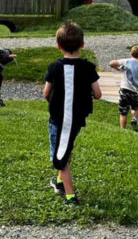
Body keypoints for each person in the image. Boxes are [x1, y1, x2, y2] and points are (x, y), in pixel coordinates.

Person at [43, 21, 101, 206]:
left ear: (59, 46)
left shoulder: (54, 67)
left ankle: (70, 197)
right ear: (82, 44)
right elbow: (98, 94)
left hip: (58, 119)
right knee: (66, 147)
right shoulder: (89, 68)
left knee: (60, 157)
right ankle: (60, 182)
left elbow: (46, 93)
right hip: (77, 120)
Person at [109, 45, 138, 132]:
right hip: (136, 92)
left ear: (130, 53)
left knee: (123, 111)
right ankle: (134, 119)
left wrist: (119, 69)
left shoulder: (126, 61)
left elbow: (111, 63)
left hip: (124, 90)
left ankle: (122, 129)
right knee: (135, 108)